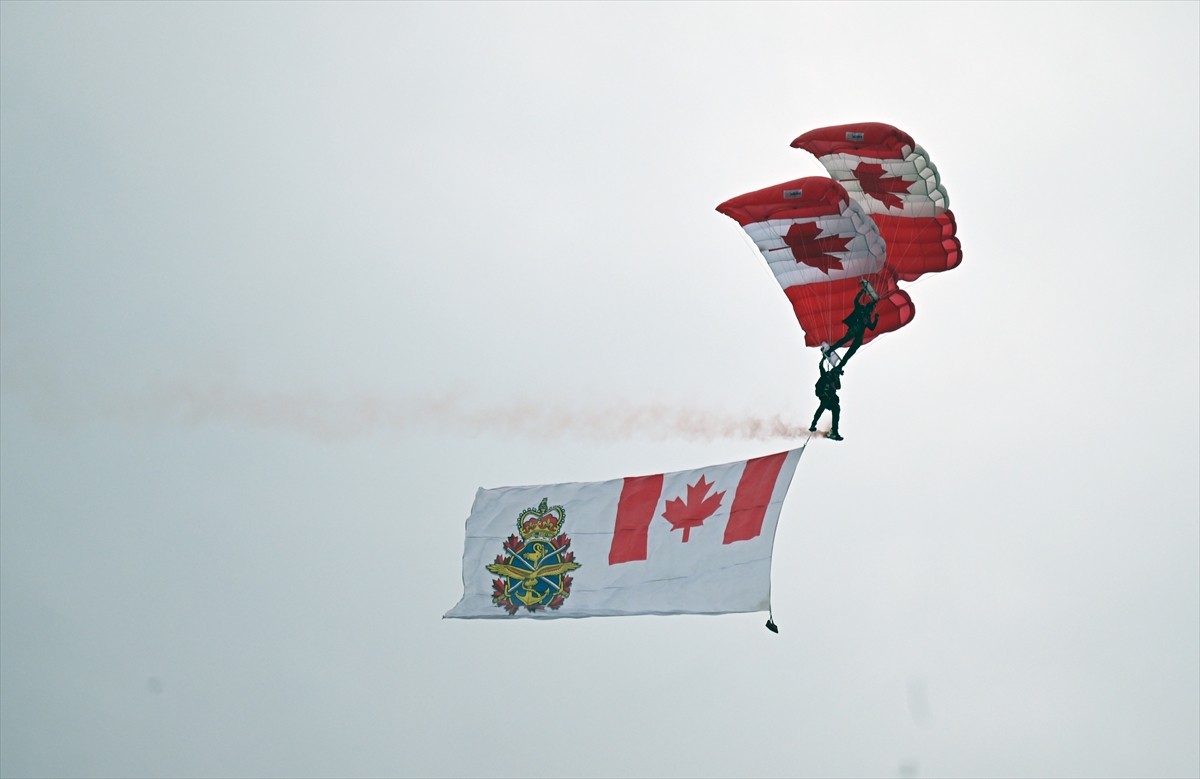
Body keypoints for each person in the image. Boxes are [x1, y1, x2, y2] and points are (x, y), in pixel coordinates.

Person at [824, 287, 879, 369]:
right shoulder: (861, 309)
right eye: (871, 309)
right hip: (854, 329)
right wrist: (861, 293)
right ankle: (830, 351)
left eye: (871, 310)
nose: (871, 312)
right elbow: (856, 301)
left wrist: (876, 319)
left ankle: (840, 366)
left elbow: (872, 328)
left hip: (859, 335)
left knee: (852, 350)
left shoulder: (867, 319)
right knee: (845, 340)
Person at [809, 361, 843, 441]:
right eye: (835, 374)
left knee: (837, 408)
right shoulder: (826, 376)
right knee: (822, 406)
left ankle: (834, 431)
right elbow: (821, 367)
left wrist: (838, 376)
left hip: (831, 399)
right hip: (824, 396)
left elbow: (838, 387)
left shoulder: (835, 379)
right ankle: (813, 424)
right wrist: (823, 359)